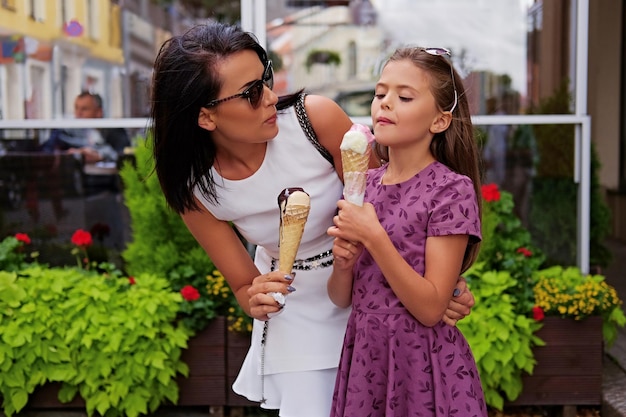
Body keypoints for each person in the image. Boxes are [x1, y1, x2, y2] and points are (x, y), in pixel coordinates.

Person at [150, 22, 475, 417]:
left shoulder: (313, 120)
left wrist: (445, 282)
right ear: (206, 117)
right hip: (299, 308)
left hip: (374, 295)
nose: (270, 97)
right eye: (252, 93)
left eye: (265, 78)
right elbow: (242, 285)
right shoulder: (198, 189)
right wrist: (254, 297)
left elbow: (394, 208)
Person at [326, 47, 487, 416]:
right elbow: (342, 298)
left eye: (405, 96)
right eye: (380, 94)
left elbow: (431, 308)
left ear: (439, 121)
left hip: (424, 364)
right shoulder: (360, 185)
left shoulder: (450, 190)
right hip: (367, 359)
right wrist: (343, 265)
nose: (385, 104)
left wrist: (374, 237)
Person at [41, 91, 130, 164]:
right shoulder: (67, 131)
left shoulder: (114, 131)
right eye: (76, 108)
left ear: (99, 112)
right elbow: (45, 152)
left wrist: (100, 155)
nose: (78, 114)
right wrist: (67, 155)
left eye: (84, 109)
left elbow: (123, 156)